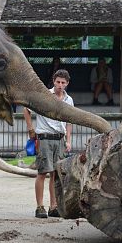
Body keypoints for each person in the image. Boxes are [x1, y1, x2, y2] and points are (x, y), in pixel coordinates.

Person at [23, 69, 73, 218]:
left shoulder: (68, 100)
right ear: (54, 81)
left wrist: (68, 140)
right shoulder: (45, 95)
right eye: (58, 82)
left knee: (55, 174)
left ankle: (54, 206)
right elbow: (26, 109)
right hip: (44, 137)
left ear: (67, 84)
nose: (60, 85)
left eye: (63, 83)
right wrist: (31, 129)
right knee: (42, 172)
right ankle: (39, 207)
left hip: (59, 138)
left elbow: (69, 121)